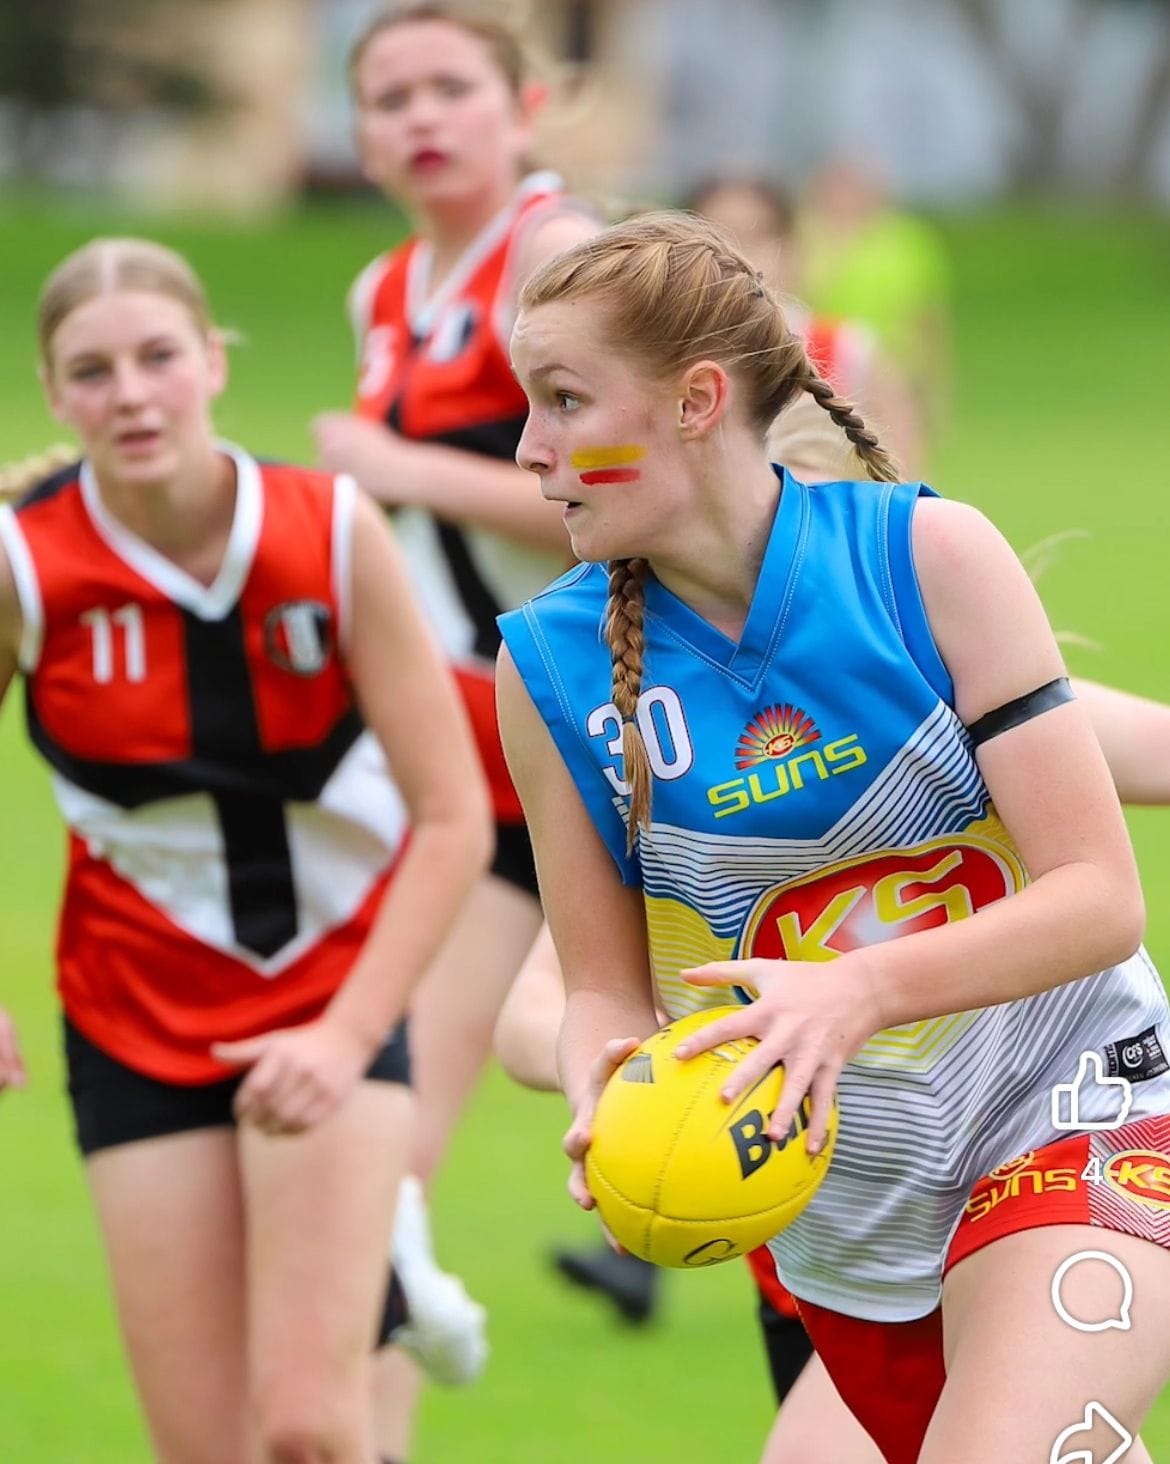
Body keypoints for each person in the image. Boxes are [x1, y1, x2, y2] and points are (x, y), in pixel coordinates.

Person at [496, 211, 1170, 1464]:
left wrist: (853, 991)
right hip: (846, 1214)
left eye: (563, 400)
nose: (529, 451)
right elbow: (594, 987)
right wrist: (611, 1083)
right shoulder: (545, 665)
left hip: (1072, 1101)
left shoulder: (929, 557)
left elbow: (1098, 898)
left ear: (697, 399)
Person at [0, 236, 491, 1464]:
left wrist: (342, 1033)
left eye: (159, 357)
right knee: (205, 1448)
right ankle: (387, 1266)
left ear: (212, 361)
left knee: (306, 1431)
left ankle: (380, 1253)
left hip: (329, 988)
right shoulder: (26, 563)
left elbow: (452, 816)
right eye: (94, 371)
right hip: (132, 1011)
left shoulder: (329, 533)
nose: (133, 395)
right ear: (56, 394)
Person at [310, 3, 598, 1456]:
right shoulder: (384, 288)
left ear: (524, 104)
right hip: (459, 750)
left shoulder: (555, 252)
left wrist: (389, 465)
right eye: (385, 95)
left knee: (380, 1143)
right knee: (376, 1146)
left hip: (607, 738)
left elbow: (618, 491)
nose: (417, 117)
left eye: (448, 87)